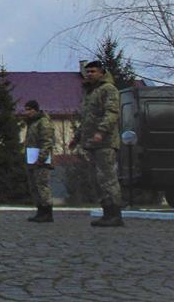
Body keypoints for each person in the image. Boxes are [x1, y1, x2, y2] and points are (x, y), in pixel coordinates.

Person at [70, 59, 123, 227]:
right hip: (91, 143)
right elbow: (87, 119)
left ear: (101, 73)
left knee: (107, 178)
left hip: (105, 142)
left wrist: (101, 131)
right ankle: (107, 212)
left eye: (93, 71)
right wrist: (77, 137)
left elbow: (112, 113)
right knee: (96, 179)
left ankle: (115, 214)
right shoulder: (90, 93)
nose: (90, 74)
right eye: (88, 72)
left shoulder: (109, 90)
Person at [23, 99, 54, 223]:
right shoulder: (32, 123)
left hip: (41, 160)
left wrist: (41, 158)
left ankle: (47, 212)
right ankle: (40, 211)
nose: (27, 112)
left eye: (29, 109)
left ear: (35, 110)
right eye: (26, 110)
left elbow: (46, 141)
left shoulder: (43, 122)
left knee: (42, 186)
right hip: (31, 159)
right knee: (34, 186)